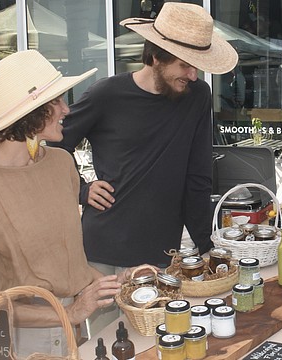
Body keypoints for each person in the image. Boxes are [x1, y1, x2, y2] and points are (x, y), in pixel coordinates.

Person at [0, 50, 140, 357]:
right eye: (56, 102)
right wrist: (67, 314)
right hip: (15, 341)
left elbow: (66, 266)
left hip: (71, 332)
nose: (67, 109)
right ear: (29, 113)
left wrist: (120, 283)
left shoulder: (61, 164)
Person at [50, 3, 238, 273]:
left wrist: (206, 245)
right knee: (104, 318)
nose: (193, 75)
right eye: (185, 65)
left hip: (159, 252)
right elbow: (56, 145)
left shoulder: (197, 96)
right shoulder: (106, 94)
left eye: (195, 66)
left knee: (158, 317)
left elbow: (198, 175)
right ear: (156, 58)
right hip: (101, 247)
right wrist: (81, 190)